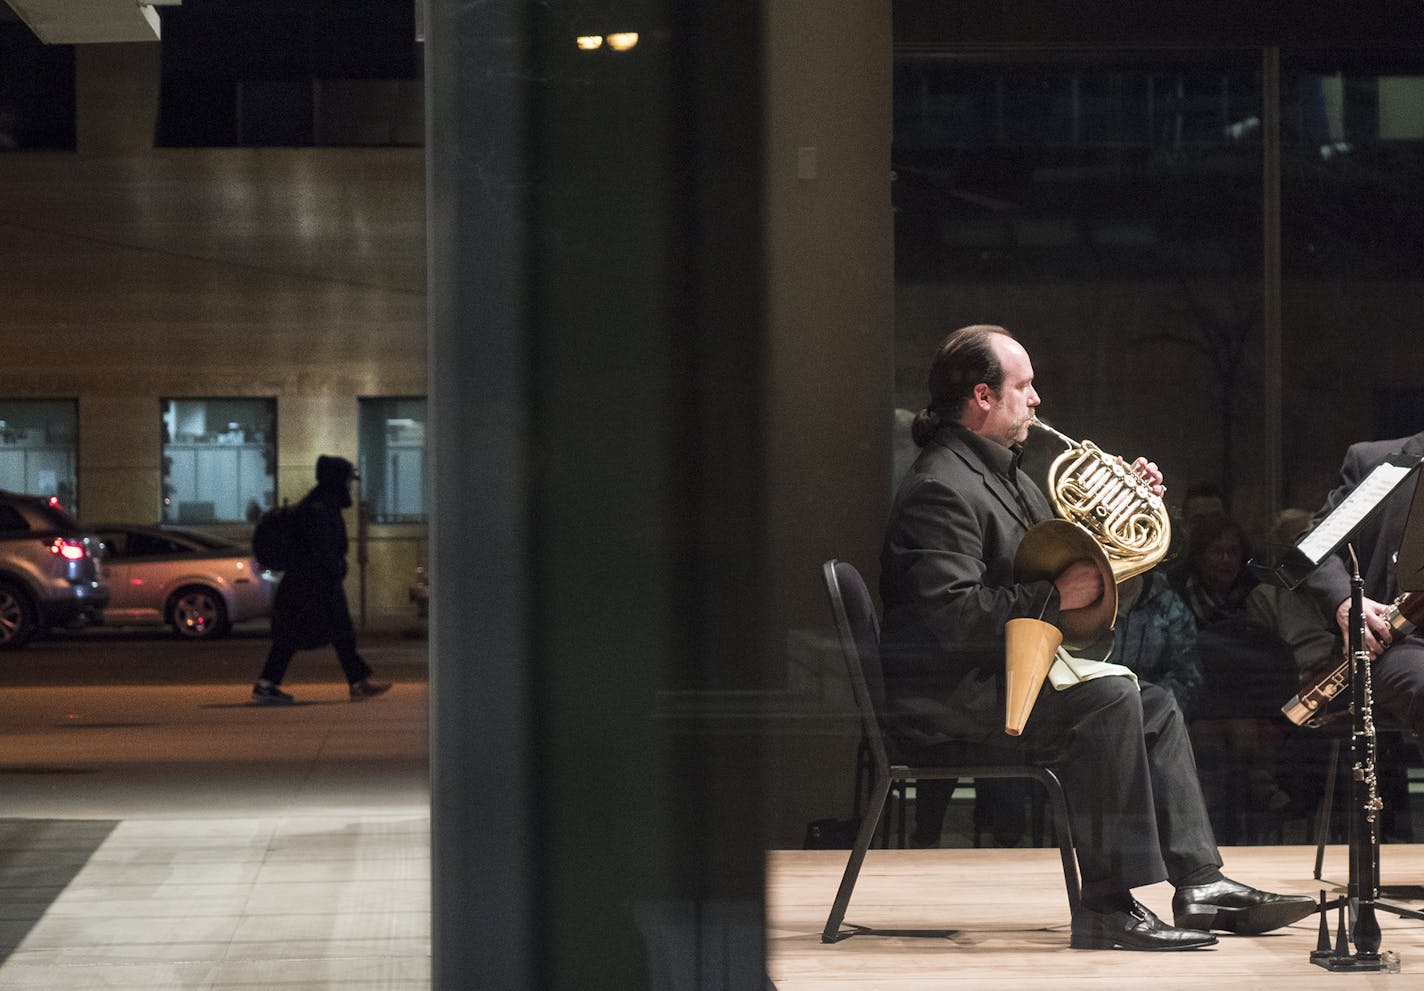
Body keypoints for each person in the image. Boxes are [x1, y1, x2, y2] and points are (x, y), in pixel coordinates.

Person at [879, 324, 1315, 950]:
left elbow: (1082, 586)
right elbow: (947, 620)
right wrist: (1057, 596)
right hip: (950, 699)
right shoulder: (940, 488)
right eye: (1023, 387)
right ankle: (1108, 907)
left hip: (998, 680)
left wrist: (1122, 520)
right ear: (982, 397)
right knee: (1111, 701)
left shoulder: (1008, 478)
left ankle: (1201, 881)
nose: (1036, 400)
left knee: (1156, 703)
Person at [252, 455, 391, 705]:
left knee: (338, 633)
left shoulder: (319, 503)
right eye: (348, 480)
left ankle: (358, 681)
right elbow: (322, 549)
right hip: (311, 586)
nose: (350, 486)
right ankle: (267, 684)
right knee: (296, 636)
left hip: (310, 584)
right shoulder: (319, 509)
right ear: (337, 480)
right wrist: (337, 567)